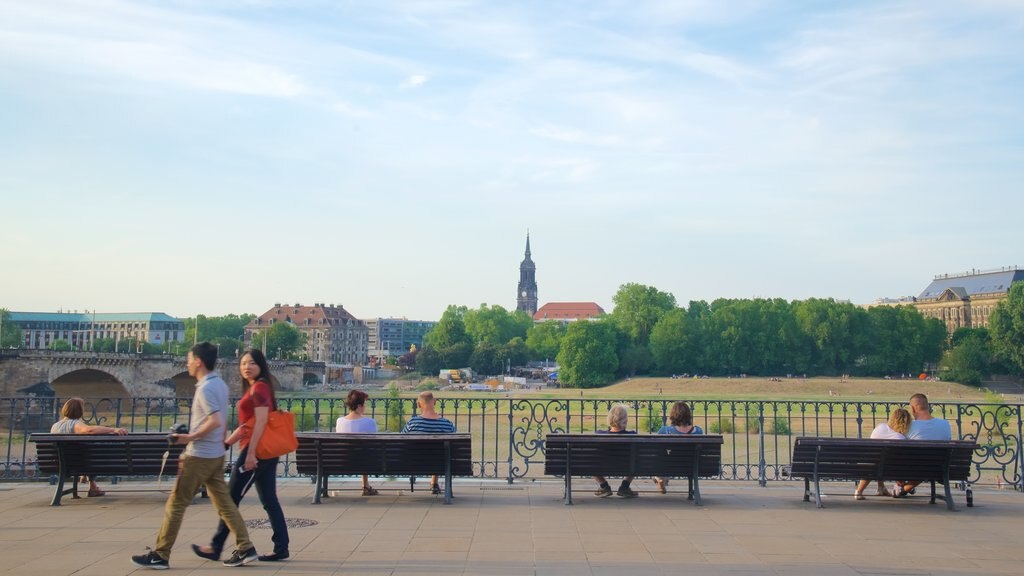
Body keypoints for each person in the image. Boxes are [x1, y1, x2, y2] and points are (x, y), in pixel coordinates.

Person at [130, 342, 257, 570]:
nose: (187, 363)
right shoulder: (220, 384)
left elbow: (215, 420)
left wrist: (189, 438)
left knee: (176, 504)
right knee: (226, 505)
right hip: (215, 454)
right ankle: (246, 547)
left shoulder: (206, 388)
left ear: (198, 361)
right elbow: (222, 421)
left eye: (189, 359)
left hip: (199, 455)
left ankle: (160, 554)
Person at [193, 349, 289, 563]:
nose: (246, 367)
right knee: (269, 501)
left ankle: (218, 546)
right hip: (264, 452)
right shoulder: (257, 387)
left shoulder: (260, 388)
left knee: (230, 499)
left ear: (261, 365)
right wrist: (227, 443)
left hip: (257, 452)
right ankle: (281, 546)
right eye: (243, 363)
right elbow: (248, 424)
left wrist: (251, 454)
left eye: (252, 363)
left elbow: (262, 422)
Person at [50, 396, 128, 497]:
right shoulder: (74, 424)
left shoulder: (55, 426)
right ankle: (89, 480)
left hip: (60, 463)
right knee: (92, 453)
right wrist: (113, 430)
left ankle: (91, 483)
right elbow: (88, 430)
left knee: (85, 451)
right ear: (80, 411)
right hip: (77, 463)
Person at [893, 393, 952, 498]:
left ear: (912, 408)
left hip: (914, 468)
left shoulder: (910, 426)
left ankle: (903, 487)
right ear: (927, 406)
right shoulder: (945, 424)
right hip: (940, 468)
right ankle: (904, 489)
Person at [401, 391, 456, 494]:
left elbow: (402, 441)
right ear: (434, 403)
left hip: (415, 463)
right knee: (440, 453)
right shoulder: (447, 424)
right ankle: (434, 483)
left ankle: (433, 483)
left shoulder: (412, 423)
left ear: (418, 404)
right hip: (440, 464)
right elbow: (454, 447)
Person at [853, 408, 911, 500]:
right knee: (894, 463)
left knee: (875, 462)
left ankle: (859, 491)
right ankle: (903, 486)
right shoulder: (901, 438)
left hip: (871, 464)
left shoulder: (880, 427)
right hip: (892, 470)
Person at [652, 401, 703, 494]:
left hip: (669, 465)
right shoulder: (698, 431)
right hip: (691, 466)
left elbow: (656, 450)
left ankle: (660, 478)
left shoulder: (665, 430)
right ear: (689, 415)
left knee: (662, 458)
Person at [336, 389, 379, 496]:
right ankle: (365, 486)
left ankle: (366, 485)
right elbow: (374, 443)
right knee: (365, 451)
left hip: (342, 461)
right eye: (364, 405)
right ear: (359, 406)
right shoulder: (370, 422)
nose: (365, 407)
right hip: (366, 461)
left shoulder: (339, 421)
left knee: (362, 451)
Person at [594, 404, 638, 498]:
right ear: (625, 420)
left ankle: (604, 486)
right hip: (627, 466)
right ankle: (624, 486)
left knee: (590, 461)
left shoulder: (598, 435)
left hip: (602, 466)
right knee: (636, 461)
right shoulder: (633, 436)